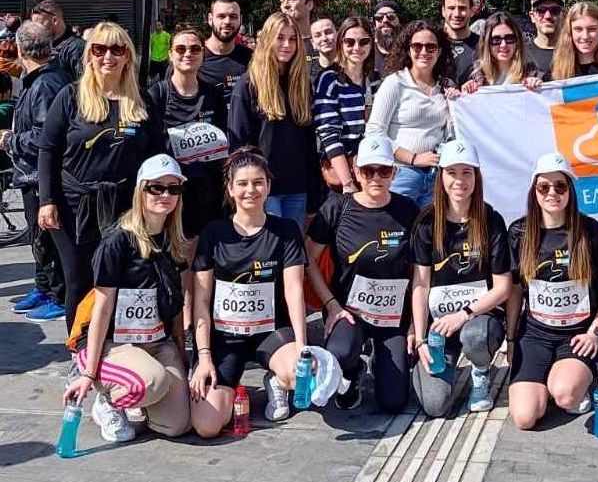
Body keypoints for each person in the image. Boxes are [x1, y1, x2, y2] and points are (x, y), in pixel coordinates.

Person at [37, 22, 163, 332]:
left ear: (128, 57)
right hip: (72, 206)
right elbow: (48, 150)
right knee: (79, 279)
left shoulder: (142, 101)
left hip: (124, 206)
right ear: (90, 55)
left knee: (117, 277)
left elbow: (157, 156)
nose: (109, 56)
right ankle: (79, 351)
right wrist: (46, 200)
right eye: (100, 49)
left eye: (117, 49)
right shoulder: (70, 96)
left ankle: (112, 347)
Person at [62, 154, 191, 443]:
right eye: (156, 187)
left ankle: (138, 390)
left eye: (173, 188)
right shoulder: (117, 242)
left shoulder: (174, 240)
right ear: (141, 190)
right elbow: (103, 308)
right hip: (114, 343)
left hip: (156, 342)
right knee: (152, 382)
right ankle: (106, 399)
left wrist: (182, 349)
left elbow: (178, 300)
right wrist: (89, 371)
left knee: (176, 425)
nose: (166, 195)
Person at [188, 148, 308, 436]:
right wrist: (204, 357)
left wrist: (303, 345)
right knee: (206, 426)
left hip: (269, 332)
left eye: (258, 182)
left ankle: (278, 382)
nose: (250, 190)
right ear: (229, 189)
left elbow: (294, 290)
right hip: (224, 337)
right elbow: (201, 301)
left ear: (268, 185)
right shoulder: (213, 233)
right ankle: (225, 396)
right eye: (242, 184)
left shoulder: (286, 230)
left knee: (299, 373)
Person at [305, 136, 421, 413]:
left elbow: (420, 273)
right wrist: (331, 305)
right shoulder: (336, 208)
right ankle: (353, 370)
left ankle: (382, 360)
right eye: (369, 171)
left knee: (393, 402)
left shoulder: (408, 211)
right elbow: (307, 258)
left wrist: (415, 326)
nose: (376, 178)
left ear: (394, 172)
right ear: (356, 171)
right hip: (349, 313)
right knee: (341, 353)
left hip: (393, 319)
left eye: (384, 171)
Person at [507, 152, 598, 430]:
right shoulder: (519, 232)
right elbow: (516, 291)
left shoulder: (589, 230)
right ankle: (547, 380)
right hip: (535, 334)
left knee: (566, 396)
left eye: (560, 186)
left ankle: (575, 380)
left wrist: (596, 331)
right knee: (524, 418)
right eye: (544, 187)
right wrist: (510, 339)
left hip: (577, 335)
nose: (552, 193)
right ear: (534, 191)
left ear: (570, 190)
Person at [411, 141, 512, 416]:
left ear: (476, 177)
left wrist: (464, 314)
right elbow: (420, 286)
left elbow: (503, 287)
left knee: (477, 335)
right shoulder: (426, 222)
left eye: (466, 172)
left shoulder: (491, 219)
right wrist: (420, 337)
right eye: (452, 172)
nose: (459, 181)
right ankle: (422, 370)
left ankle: (480, 373)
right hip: (439, 328)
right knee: (435, 405)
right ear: (441, 176)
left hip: (478, 319)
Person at [146, 28, 229, 343]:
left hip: (206, 190)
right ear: (170, 54)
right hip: (171, 194)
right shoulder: (156, 95)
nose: (187, 55)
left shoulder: (213, 93)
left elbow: (223, 143)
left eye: (194, 49)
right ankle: (180, 327)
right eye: (180, 49)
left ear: (202, 55)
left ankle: (199, 323)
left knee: (202, 261)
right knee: (177, 260)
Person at [0, 22, 72, 321]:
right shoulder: (38, 79)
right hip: (31, 173)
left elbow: (46, 136)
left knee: (47, 236)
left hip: (40, 173)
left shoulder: (45, 83)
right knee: (39, 238)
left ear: (19, 48)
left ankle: (58, 293)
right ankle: (44, 286)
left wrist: (10, 140)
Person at [228, 12, 319, 229]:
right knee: (271, 254)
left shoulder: (302, 84)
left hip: (298, 187)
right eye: (280, 38)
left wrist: (314, 191)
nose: (286, 45)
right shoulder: (248, 85)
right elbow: (239, 145)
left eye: (292, 39)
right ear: (267, 39)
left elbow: (309, 144)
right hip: (264, 189)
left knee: (292, 253)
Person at [366, 20, 455, 207]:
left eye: (430, 47)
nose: (424, 52)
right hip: (401, 173)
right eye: (417, 46)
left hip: (436, 176)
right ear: (408, 50)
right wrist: (413, 158)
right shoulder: (394, 83)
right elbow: (374, 132)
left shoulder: (446, 86)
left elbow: (453, 131)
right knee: (398, 233)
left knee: (429, 233)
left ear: (439, 51)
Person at [313, 16, 381, 193]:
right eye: (349, 42)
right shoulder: (329, 80)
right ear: (340, 44)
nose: (356, 48)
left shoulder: (374, 80)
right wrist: (348, 182)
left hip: (371, 170)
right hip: (342, 173)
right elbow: (328, 133)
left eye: (363, 41)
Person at [459, 12, 542, 93]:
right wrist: (465, 92)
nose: (503, 45)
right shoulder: (473, 74)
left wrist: (539, 87)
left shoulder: (533, 73)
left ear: (518, 41)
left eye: (509, 38)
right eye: (496, 40)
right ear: (487, 43)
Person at [199, 0, 253, 108]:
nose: (227, 21)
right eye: (221, 16)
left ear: (240, 20)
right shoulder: (193, 56)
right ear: (210, 19)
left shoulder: (252, 58)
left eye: (233, 16)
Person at [548, 2, 598, 80]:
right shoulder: (556, 72)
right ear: (570, 32)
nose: (585, 36)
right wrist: (535, 85)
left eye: (592, 29)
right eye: (578, 29)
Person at [31, 0, 85, 76]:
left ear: (55, 20)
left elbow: (84, 83)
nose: (35, 30)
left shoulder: (76, 48)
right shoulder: (45, 47)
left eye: (39, 25)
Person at [279, 0, 320, 79]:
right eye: (282, 1)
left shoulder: (322, 43)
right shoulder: (275, 45)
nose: (285, 5)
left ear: (309, 5)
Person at [441, 0, 479, 85]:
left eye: (462, 8)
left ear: (471, 11)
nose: (457, 14)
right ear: (443, 11)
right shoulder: (432, 45)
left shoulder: (483, 46)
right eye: (451, 8)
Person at [524, 0, 564, 79]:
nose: (548, 16)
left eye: (555, 10)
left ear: (563, 16)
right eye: (541, 10)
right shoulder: (521, 54)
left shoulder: (575, 52)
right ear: (532, 16)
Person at [372, 0, 403, 76]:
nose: (385, 20)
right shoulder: (366, 53)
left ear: (399, 21)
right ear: (374, 25)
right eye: (379, 17)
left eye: (391, 16)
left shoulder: (409, 52)